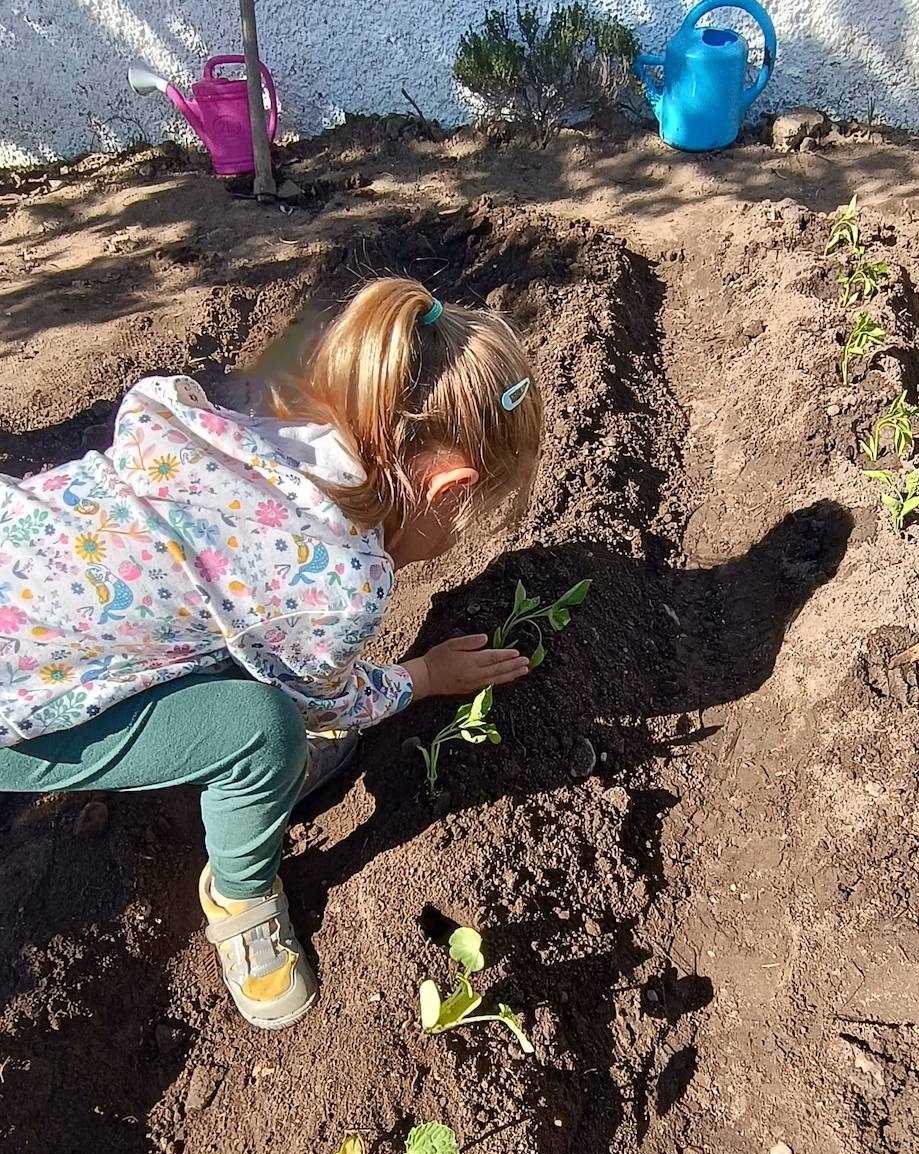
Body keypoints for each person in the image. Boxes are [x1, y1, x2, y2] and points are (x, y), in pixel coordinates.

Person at [0, 279, 541, 1030]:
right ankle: (242, 898)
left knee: (232, 649)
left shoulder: (247, 429)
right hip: (15, 703)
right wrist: (421, 676)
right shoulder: (337, 578)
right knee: (264, 732)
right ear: (448, 488)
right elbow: (330, 700)